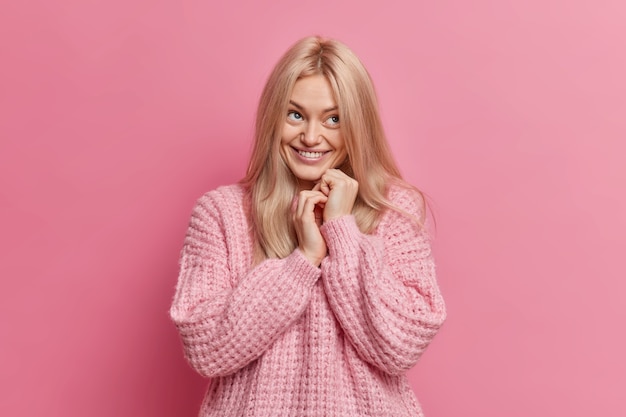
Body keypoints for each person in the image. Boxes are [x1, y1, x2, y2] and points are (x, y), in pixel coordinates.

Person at [169, 36, 446, 417]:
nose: (312, 137)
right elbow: (206, 348)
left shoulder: (393, 210)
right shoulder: (221, 213)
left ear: (357, 126)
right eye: (295, 114)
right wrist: (303, 261)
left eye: (334, 119)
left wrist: (342, 230)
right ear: (272, 117)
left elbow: (399, 347)